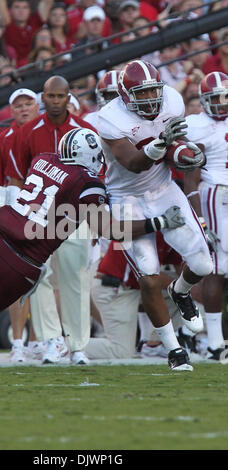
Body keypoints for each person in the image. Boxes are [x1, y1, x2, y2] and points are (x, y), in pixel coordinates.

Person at [0, 127, 186, 367]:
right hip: (24, 266)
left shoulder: (43, 160)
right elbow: (109, 229)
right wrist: (159, 222)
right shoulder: (87, 183)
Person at [96, 60, 213, 371]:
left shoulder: (172, 100)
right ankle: (174, 350)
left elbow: (176, 143)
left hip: (163, 190)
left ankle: (180, 291)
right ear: (123, 95)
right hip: (126, 197)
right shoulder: (109, 118)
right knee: (148, 278)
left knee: (204, 263)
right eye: (141, 93)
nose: (150, 99)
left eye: (152, 92)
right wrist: (163, 143)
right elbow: (133, 163)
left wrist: (188, 153)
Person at [6, 75, 102, 365]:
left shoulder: (85, 129)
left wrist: (96, 220)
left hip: (75, 215)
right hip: (39, 215)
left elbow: (97, 178)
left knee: (75, 278)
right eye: (51, 96)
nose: (56, 101)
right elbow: (17, 179)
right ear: (43, 99)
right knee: (40, 277)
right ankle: (50, 341)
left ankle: (77, 346)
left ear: (68, 96)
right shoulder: (27, 132)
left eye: (61, 96)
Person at [0, 87, 40, 363]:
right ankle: (18, 342)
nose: (23, 109)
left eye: (28, 103)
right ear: (11, 110)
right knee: (17, 280)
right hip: (16, 215)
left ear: (36, 105)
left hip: (50, 214)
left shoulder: (46, 133)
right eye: (17, 105)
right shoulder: (1, 141)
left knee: (51, 282)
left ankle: (44, 340)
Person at [184, 71, 228, 360]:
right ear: (203, 101)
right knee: (217, 266)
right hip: (216, 193)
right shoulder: (197, 126)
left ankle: (194, 335)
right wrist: (198, 217)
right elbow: (191, 176)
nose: (221, 104)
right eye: (215, 99)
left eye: (225, 98)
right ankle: (214, 343)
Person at [4, 0, 54, 67]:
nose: (21, 11)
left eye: (25, 7)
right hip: (17, 67)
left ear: (29, 10)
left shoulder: (35, 22)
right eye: (17, 7)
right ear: (9, 11)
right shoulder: (6, 25)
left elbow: (47, 2)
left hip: (40, 63)